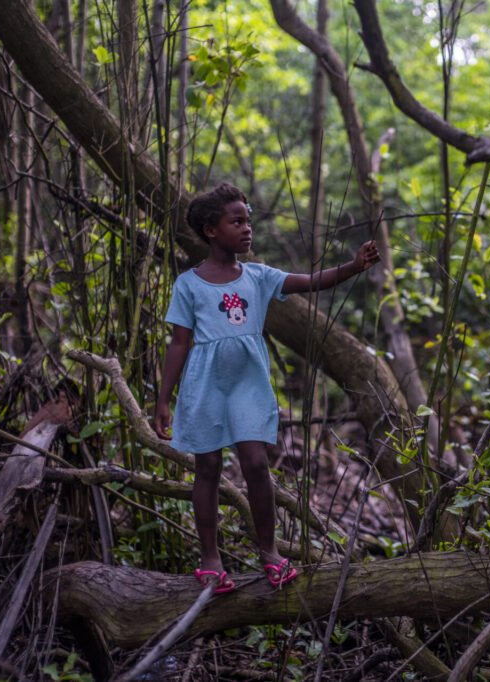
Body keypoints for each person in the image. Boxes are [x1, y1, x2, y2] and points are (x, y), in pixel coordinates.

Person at [154, 183, 380, 593]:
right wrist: (162, 400)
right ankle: (210, 559)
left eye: (248, 221)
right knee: (206, 469)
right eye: (236, 221)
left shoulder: (258, 276)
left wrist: (353, 266)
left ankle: (270, 552)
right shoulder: (188, 284)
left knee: (257, 465)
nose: (246, 229)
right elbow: (179, 342)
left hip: (248, 385)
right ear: (210, 230)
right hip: (205, 385)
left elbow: (311, 280)